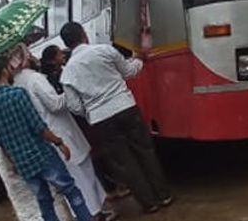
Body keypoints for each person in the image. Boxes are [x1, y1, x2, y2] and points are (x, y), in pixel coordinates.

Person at [59, 22, 172, 214]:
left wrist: (91, 112)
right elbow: (129, 71)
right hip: (125, 107)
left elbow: (74, 106)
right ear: (84, 35)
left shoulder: (67, 73)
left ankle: (149, 203)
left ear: (67, 45)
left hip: (101, 120)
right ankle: (164, 195)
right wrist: (139, 59)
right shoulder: (104, 50)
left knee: (125, 163)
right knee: (145, 151)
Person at [10, 44, 117, 221]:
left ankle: (94, 211)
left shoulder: (17, 84)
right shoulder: (34, 79)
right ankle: (94, 213)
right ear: (23, 59)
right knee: (81, 173)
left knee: (77, 173)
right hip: (61, 132)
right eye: (28, 55)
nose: (32, 57)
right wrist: (70, 89)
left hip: (52, 134)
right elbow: (55, 104)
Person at [0, 54, 93, 221]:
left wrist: (14, 164)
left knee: (45, 202)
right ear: (5, 71)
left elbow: (1, 143)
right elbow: (38, 127)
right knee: (70, 190)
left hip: (24, 165)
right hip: (42, 155)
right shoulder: (18, 94)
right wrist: (59, 142)